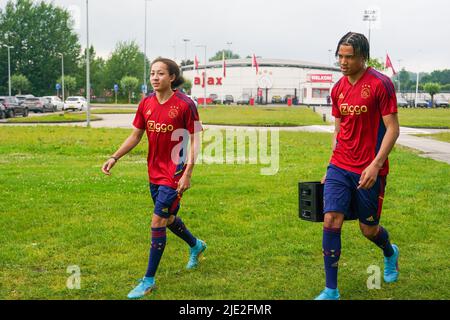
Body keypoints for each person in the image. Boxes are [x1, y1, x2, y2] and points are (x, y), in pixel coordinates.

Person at [101, 58, 206, 299]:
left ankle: (148, 280)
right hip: (154, 172)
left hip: (175, 171)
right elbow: (136, 135)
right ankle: (196, 245)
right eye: (152, 73)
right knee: (168, 219)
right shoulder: (146, 103)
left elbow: (196, 138)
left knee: (157, 221)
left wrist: (188, 172)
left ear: (172, 77)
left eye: (160, 73)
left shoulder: (185, 104)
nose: (155, 77)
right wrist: (114, 157)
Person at [315, 32, 400, 300]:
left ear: (363, 57)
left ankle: (390, 252)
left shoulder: (380, 84)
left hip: (369, 169)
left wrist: (376, 165)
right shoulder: (338, 88)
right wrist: (330, 167)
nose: (342, 61)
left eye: (349, 56)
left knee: (368, 229)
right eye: (339, 55)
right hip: (340, 166)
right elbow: (338, 131)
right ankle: (331, 290)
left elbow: (393, 129)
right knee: (331, 219)